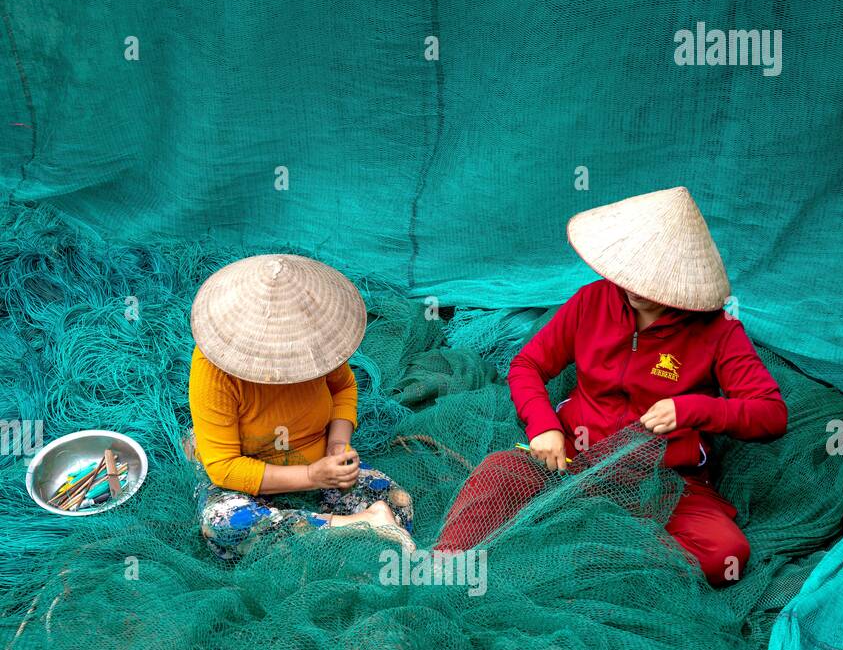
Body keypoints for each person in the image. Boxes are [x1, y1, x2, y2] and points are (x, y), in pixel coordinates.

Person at [435, 187, 787, 585]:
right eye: (631, 269)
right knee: (498, 475)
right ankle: (443, 573)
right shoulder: (590, 302)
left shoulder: (719, 332)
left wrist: (691, 409)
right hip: (571, 460)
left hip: (664, 482)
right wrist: (543, 425)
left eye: (652, 278)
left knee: (726, 554)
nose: (635, 286)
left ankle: (585, 550)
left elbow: (771, 414)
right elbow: (527, 365)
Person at [188, 253, 413, 560]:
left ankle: (314, 531)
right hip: (247, 471)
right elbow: (225, 467)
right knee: (225, 525)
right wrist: (311, 477)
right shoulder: (213, 369)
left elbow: (344, 386)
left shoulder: (317, 343)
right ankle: (354, 527)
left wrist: (337, 445)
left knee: (397, 503)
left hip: (317, 458)